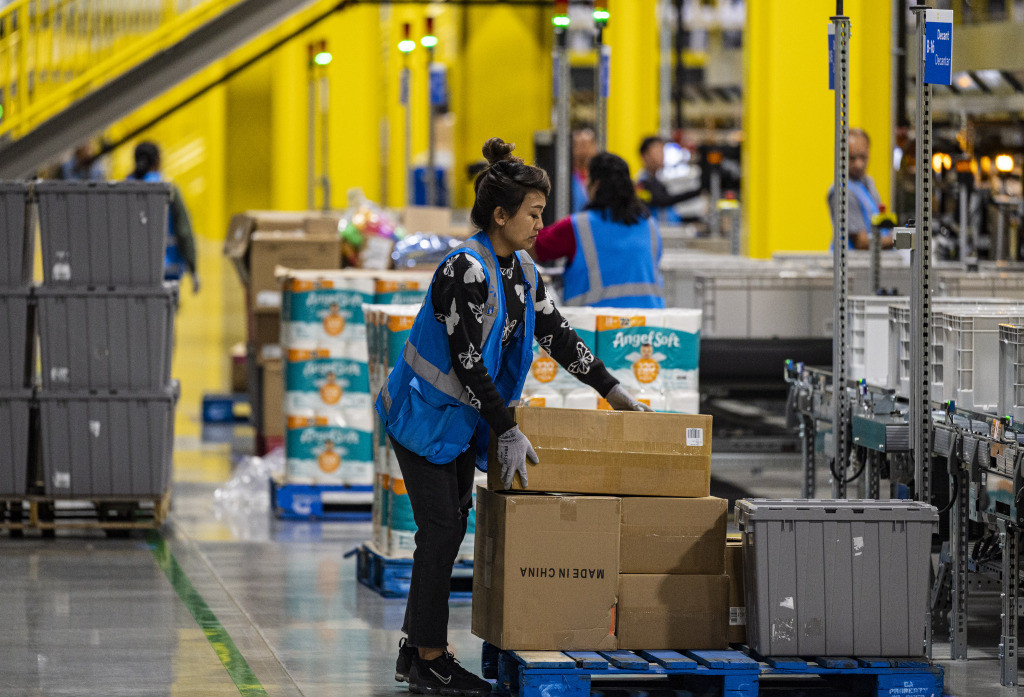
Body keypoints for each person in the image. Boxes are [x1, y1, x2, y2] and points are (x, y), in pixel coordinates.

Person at [376, 137, 652, 696]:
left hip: (454, 424)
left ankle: (415, 649)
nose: (539, 224)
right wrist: (507, 428)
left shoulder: (523, 270)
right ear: (500, 215)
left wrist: (612, 389)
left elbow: (557, 334)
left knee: (447, 528)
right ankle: (430, 658)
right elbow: (468, 361)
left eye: (541, 213)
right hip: (420, 418)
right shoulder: (464, 270)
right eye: (532, 213)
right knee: (441, 529)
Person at [534, 152, 665, 308]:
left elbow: (531, 246)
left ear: (595, 185)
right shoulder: (650, 225)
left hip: (596, 328)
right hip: (650, 326)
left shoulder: (578, 226)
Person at [126, 142, 200, 292]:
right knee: (166, 312)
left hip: (133, 269)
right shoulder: (169, 189)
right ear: (157, 161)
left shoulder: (121, 190)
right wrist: (193, 269)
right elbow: (184, 230)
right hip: (168, 269)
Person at [827, 128, 892, 250]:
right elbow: (861, 242)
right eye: (852, 158)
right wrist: (899, 240)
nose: (859, 164)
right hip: (850, 265)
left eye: (863, 157)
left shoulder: (867, 184)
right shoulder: (842, 191)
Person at [636, 135, 702, 223]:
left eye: (662, 151)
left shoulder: (658, 180)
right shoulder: (642, 183)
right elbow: (663, 200)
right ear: (644, 155)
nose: (662, 156)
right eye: (657, 152)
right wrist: (698, 191)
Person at [571, 128, 597, 213]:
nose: (583, 150)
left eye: (586, 145)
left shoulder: (598, 175)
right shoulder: (566, 176)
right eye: (579, 145)